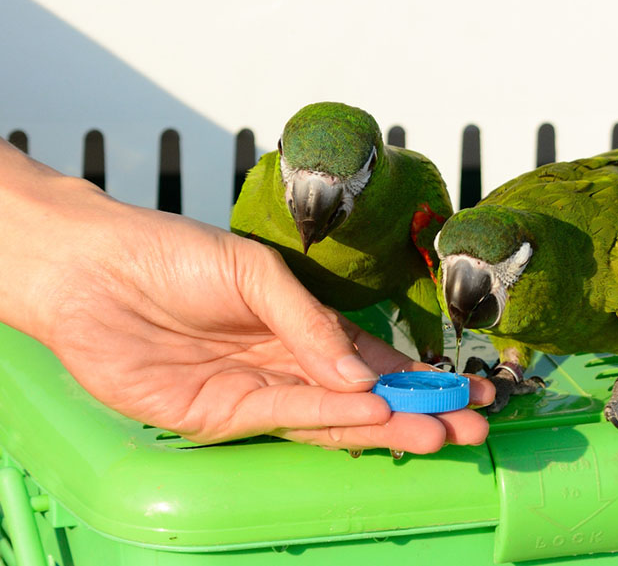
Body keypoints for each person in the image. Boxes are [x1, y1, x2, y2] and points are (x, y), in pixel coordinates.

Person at [0, 138, 494, 454]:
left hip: (380, 313)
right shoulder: (262, 185)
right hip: (284, 322)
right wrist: (76, 268)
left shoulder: (416, 184)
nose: (311, 194)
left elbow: (426, 272)